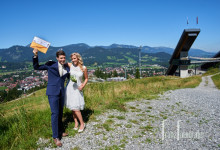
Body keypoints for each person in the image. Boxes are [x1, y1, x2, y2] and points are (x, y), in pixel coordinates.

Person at [32, 48, 70, 147]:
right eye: (61, 58)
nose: (63, 60)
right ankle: (55, 137)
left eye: (64, 58)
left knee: (60, 112)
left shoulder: (67, 67)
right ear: (57, 58)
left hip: (62, 92)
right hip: (52, 92)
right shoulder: (51, 66)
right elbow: (36, 67)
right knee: (55, 113)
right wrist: (35, 55)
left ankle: (60, 131)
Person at [65, 52, 88, 133]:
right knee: (72, 107)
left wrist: (83, 85)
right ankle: (76, 123)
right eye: (72, 59)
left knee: (76, 108)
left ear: (78, 58)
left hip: (78, 88)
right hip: (70, 88)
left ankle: (82, 124)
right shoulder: (70, 65)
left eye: (74, 58)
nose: (73, 60)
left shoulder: (84, 68)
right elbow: (61, 61)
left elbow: (86, 79)